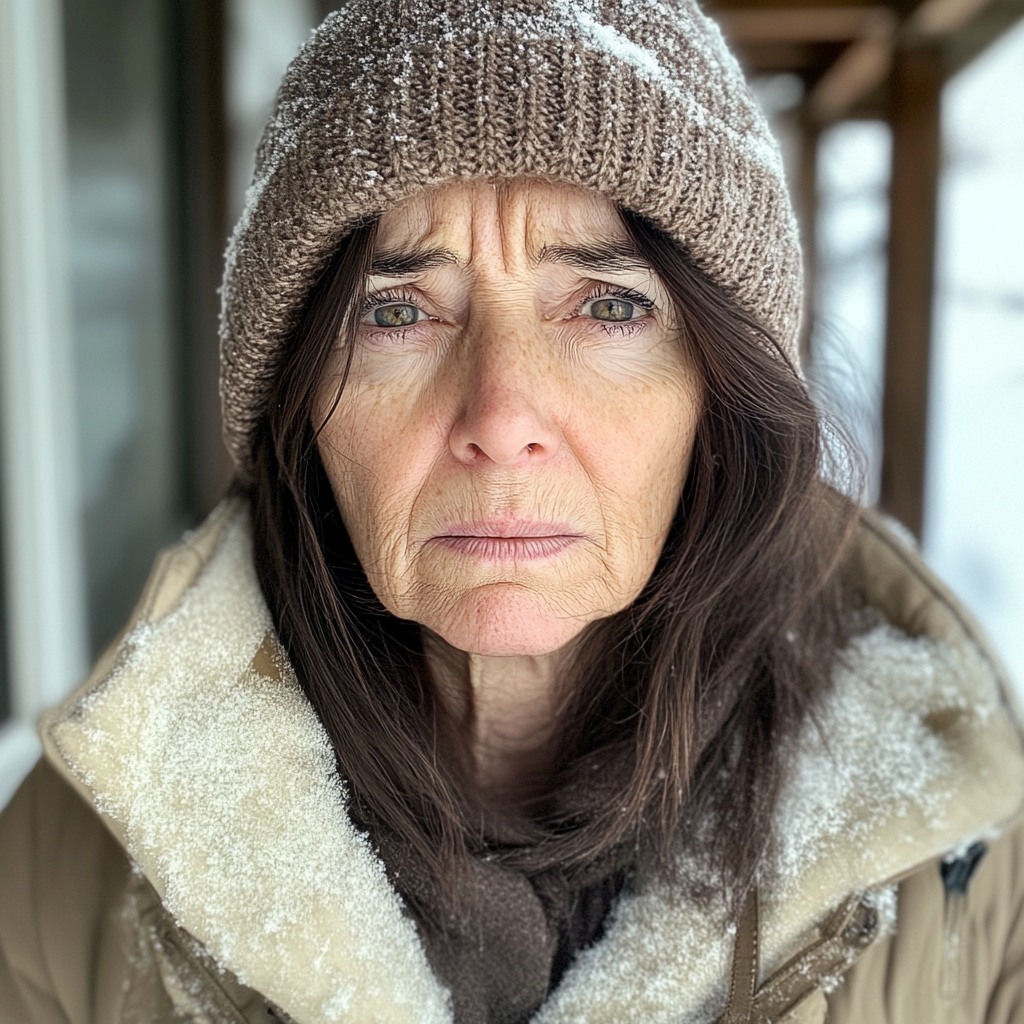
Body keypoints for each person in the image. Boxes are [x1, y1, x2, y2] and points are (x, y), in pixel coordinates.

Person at [2, 1, 1023, 1022]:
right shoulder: (69, 868)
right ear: (298, 406)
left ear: (719, 399)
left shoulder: (971, 871)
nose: (500, 417)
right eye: (396, 311)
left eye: (609, 306)